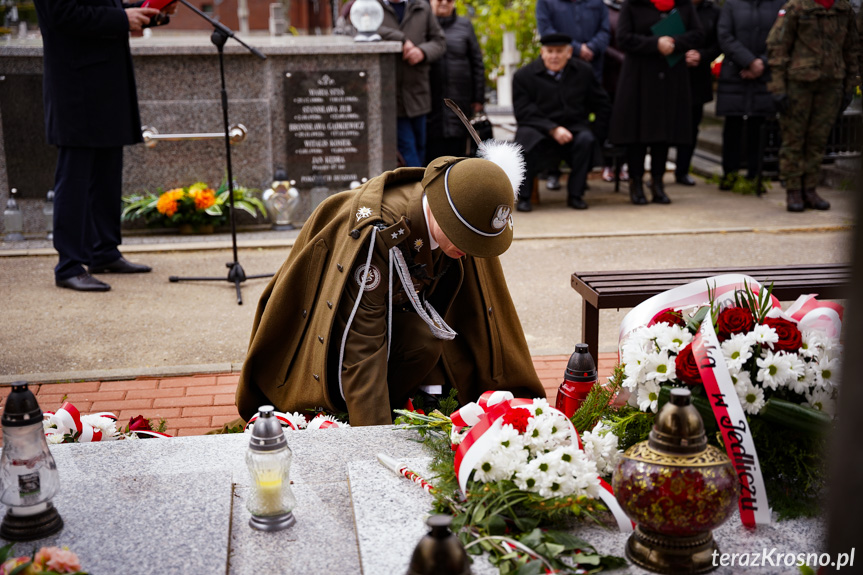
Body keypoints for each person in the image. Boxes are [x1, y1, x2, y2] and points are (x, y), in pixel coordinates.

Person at [234, 144, 545, 427]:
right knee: (408, 344)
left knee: (426, 339)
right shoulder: (381, 235)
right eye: (466, 238)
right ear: (443, 214)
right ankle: (373, 410)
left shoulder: (454, 206)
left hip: (399, 310)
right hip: (328, 334)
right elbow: (360, 344)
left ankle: (417, 395)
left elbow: (435, 301)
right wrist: (375, 437)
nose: (472, 250)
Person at [33, 0, 172, 292]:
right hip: (76, 84)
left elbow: (103, 6)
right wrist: (123, 19)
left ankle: (104, 251)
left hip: (105, 81)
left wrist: (147, 12)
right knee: (75, 177)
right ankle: (69, 265)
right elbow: (63, 13)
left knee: (108, 171)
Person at [767, 0, 860, 211]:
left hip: (831, 83)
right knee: (794, 137)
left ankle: (810, 188)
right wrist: (778, 88)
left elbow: (851, 49)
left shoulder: (842, 9)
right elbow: (778, 46)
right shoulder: (796, 7)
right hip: (799, 84)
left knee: (818, 139)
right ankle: (793, 190)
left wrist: (849, 86)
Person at [608, 0, 704, 205]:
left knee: (663, 133)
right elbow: (623, 38)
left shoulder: (684, 5)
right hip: (639, 78)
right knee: (638, 134)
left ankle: (658, 183)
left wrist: (675, 43)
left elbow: (697, 34)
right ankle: (636, 183)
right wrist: (655, 44)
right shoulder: (632, 5)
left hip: (670, 77)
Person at [512, 33, 613, 211]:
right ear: (542, 52)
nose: (554, 56)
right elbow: (524, 112)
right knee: (524, 141)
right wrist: (552, 129)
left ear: (569, 52)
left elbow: (602, 104)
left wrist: (596, 132)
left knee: (586, 140)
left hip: (573, 126)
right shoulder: (523, 76)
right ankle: (525, 197)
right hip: (537, 127)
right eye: (550, 51)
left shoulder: (583, 72)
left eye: (559, 51)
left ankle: (576, 195)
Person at [714, 0, 785, 191]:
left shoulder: (779, 4)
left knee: (758, 126)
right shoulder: (732, 4)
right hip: (735, 73)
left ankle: (755, 175)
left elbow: (782, 37)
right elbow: (724, 35)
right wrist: (747, 61)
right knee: (733, 126)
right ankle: (729, 175)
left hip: (764, 75)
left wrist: (761, 63)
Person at [377, 0, 447, 167]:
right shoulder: (372, 6)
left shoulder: (422, 6)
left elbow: (439, 42)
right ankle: (419, 187)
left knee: (420, 146)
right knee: (408, 149)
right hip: (389, 94)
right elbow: (359, 29)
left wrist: (422, 52)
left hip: (418, 92)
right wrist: (400, 39)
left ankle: (418, 186)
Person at [426, 0, 486, 159]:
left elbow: (477, 63)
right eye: (439, 0)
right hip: (430, 100)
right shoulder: (423, 25)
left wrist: (478, 97)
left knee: (459, 149)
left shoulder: (465, 25)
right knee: (432, 149)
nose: (444, 2)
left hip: (460, 98)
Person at [675, 0, 720, 186]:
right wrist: (678, 54)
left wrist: (703, 56)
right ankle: (657, 171)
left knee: (692, 126)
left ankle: (682, 170)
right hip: (671, 74)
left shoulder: (714, 12)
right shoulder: (673, 6)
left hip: (698, 77)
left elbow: (720, 42)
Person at [536, 0, 612, 83]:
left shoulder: (598, 2)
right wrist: (577, 49)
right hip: (560, 71)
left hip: (592, 67)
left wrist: (592, 47)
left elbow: (605, 31)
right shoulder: (546, 2)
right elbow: (546, 31)